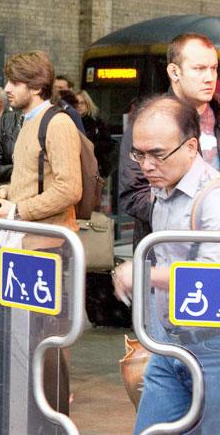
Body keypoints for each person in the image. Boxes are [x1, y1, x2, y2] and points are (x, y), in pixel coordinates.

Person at [110, 96, 220, 434]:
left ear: (191, 146)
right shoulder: (162, 191)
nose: (146, 166)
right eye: (139, 154)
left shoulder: (213, 196)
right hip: (169, 344)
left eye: (157, 154)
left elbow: (211, 273)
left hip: (213, 350)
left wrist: (141, 274)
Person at [0, 51, 80, 415]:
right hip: (26, 243)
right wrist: (9, 192)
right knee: (25, 337)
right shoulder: (27, 121)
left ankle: (49, 416)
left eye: (16, 83)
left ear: (36, 86)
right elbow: (33, 177)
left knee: (45, 337)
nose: (8, 89)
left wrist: (20, 209)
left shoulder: (57, 124)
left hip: (47, 245)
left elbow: (69, 188)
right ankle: (28, 412)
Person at [119, 33, 220, 247]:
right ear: (174, 72)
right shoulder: (148, 120)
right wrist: (196, 213)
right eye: (199, 69)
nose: (210, 78)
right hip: (165, 252)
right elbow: (133, 193)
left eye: (214, 68)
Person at [75, 90, 115, 178]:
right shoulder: (69, 122)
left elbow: (109, 144)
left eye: (82, 103)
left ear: (88, 104)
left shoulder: (97, 122)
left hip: (94, 166)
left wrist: (93, 147)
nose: (79, 106)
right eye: (76, 103)